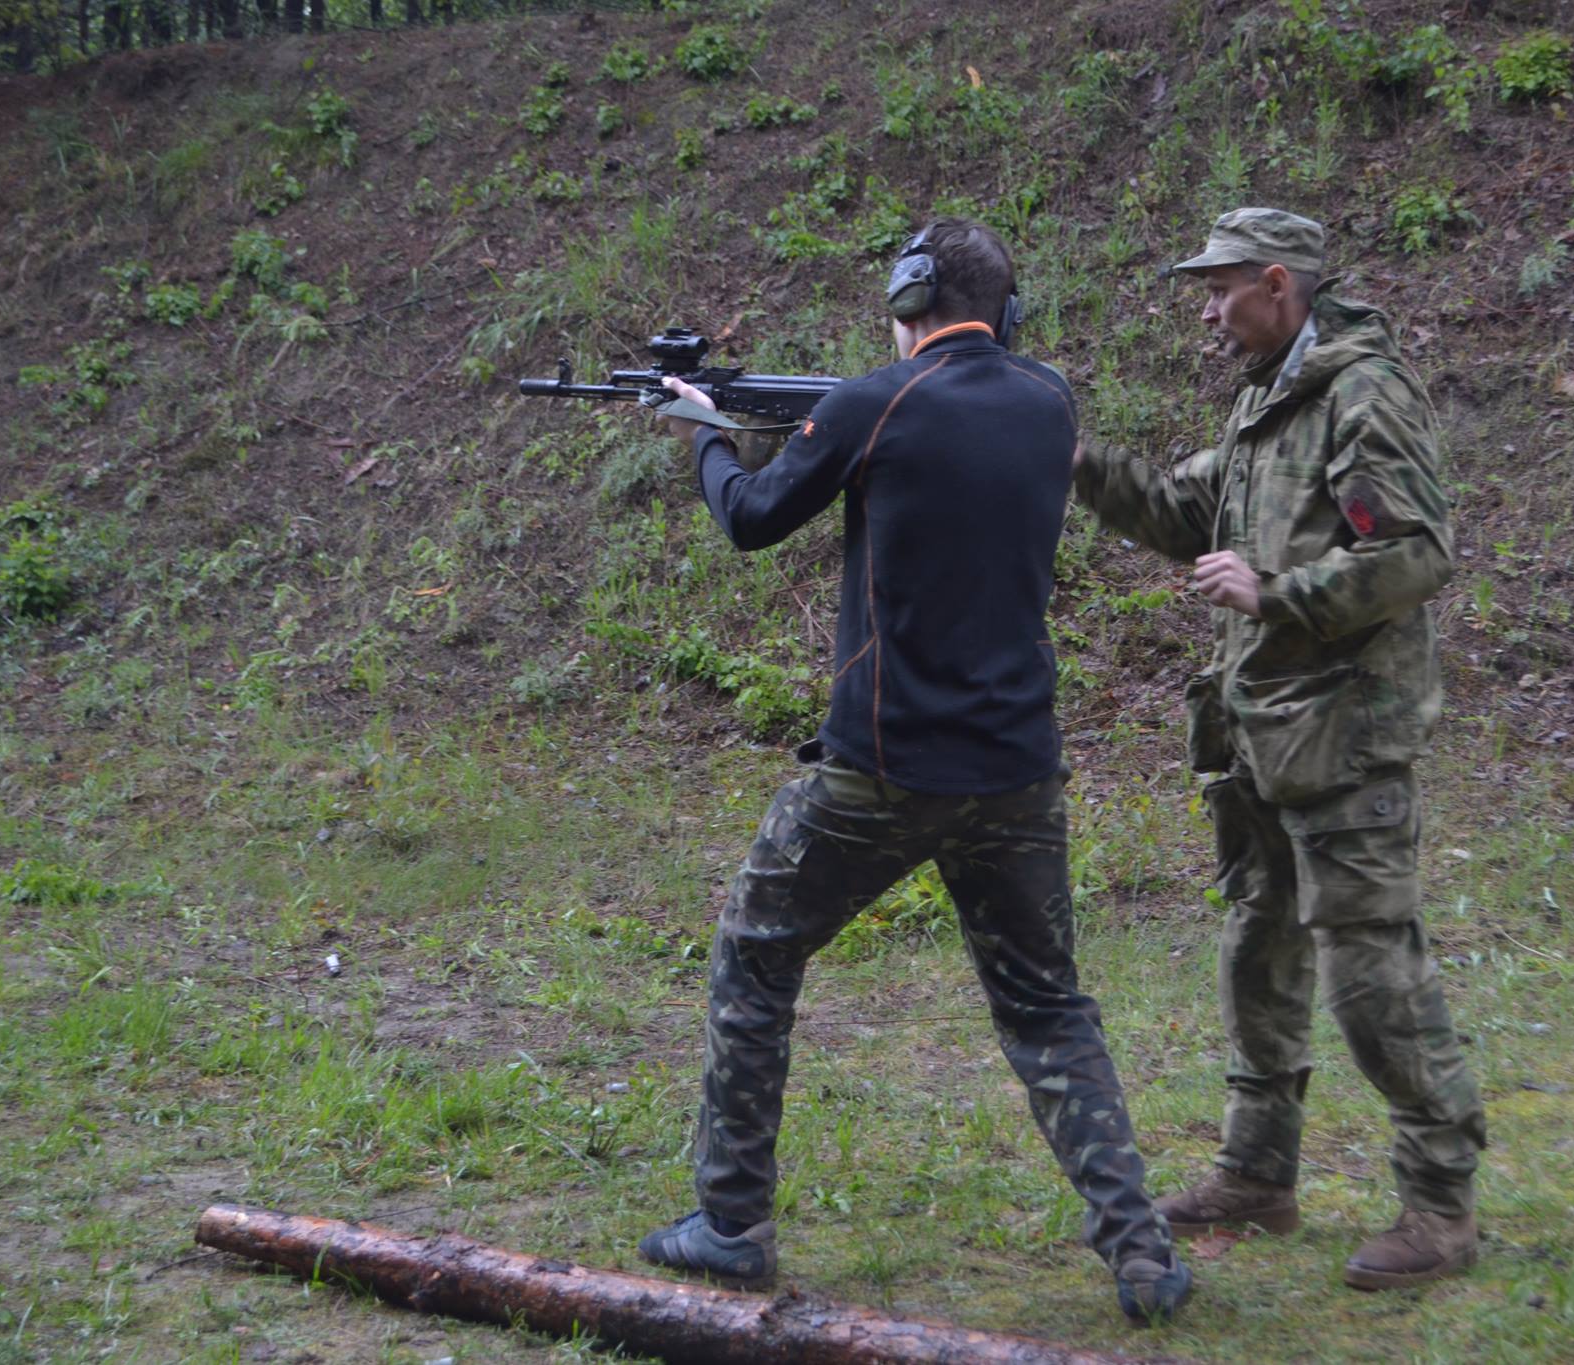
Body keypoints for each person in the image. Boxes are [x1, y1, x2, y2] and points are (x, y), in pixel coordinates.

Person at [635, 217, 1189, 1321]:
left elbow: (750, 517)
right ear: (1006, 313)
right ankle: (1141, 1252)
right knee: (1047, 1008)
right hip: (1018, 766)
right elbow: (924, 429)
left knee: (754, 951)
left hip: (884, 767)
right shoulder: (1047, 403)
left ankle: (730, 1223)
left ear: (907, 298)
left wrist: (704, 434)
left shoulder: (870, 405)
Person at [1070, 207, 1487, 1291]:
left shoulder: (1362, 394)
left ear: (1275, 283)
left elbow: (1415, 553)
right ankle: (1257, 1175)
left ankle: (1440, 1205)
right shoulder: (1269, 398)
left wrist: (1276, 592)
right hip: (1262, 731)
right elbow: (1183, 509)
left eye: (1219, 292)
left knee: (1369, 968)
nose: (1206, 313)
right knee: (1258, 945)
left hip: (1345, 733)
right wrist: (1069, 459)